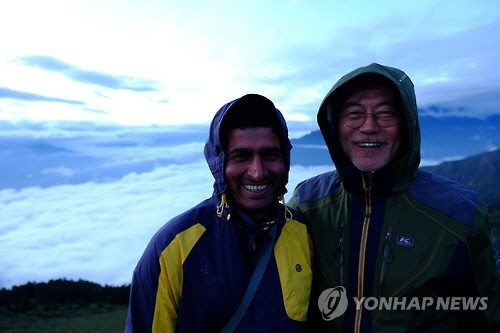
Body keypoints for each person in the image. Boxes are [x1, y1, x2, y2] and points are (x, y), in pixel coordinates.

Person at [289, 63, 500, 332]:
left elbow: (484, 318)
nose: (369, 126)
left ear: (406, 124)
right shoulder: (308, 203)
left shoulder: (458, 214)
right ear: (335, 126)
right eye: (354, 114)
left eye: (386, 114)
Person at [125, 94, 313, 332]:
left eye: (269, 155)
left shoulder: (301, 232)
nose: (257, 172)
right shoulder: (174, 247)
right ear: (219, 163)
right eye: (241, 156)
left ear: (285, 160)